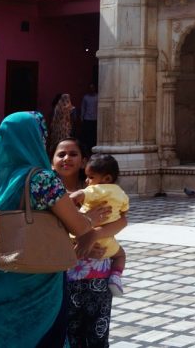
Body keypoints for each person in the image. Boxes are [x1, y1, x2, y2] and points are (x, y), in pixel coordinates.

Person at [0, 112, 100, 347]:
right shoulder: (41, 179)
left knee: (5, 336)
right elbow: (77, 225)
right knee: (42, 336)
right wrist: (90, 219)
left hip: (2, 272)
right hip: (38, 276)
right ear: (36, 139)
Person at [53, 137, 128, 348]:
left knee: (97, 333)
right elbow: (45, 232)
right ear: (52, 161)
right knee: (69, 332)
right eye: (61, 154)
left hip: (98, 276)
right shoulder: (46, 191)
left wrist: (94, 235)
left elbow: (122, 220)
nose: (67, 158)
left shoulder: (97, 189)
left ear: (83, 161)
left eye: (73, 154)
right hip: (63, 273)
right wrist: (79, 243)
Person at [69, 153, 128, 296]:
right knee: (120, 255)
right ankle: (115, 276)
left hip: (79, 242)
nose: (88, 181)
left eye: (91, 177)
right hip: (107, 243)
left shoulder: (95, 190)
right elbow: (124, 214)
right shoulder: (120, 193)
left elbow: (76, 196)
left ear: (106, 179)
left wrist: (70, 204)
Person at [48, 93, 75, 157]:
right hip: (66, 129)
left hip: (56, 130)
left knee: (56, 143)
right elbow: (73, 120)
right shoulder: (71, 109)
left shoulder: (56, 108)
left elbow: (51, 119)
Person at [80, 84, 99, 151]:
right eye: (90, 88)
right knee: (87, 134)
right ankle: (88, 148)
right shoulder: (86, 97)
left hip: (95, 118)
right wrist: (82, 117)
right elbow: (83, 107)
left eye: (92, 88)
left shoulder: (97, 97)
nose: (91, 89)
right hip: (87, 118)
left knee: (94, 134)